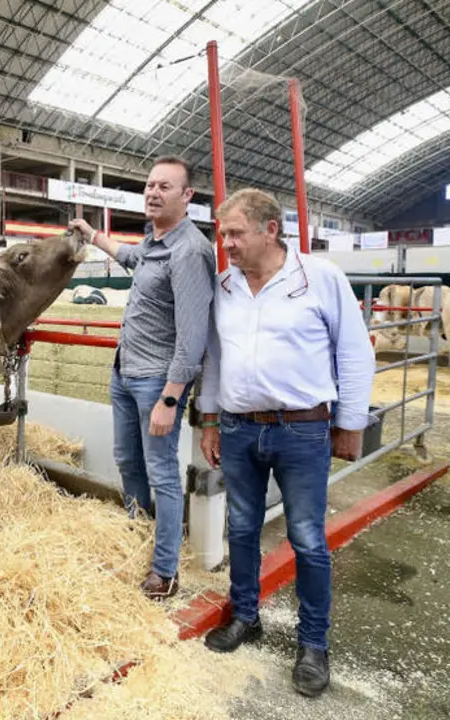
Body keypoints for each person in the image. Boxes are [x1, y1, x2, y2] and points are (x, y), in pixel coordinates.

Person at [196, 188, 375, 698]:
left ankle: (313, 644)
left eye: (235, 233)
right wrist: (210, 420)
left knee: (308, 538)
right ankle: (246, 617)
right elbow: (214, 360)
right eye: (222, 233)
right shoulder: (225, 286)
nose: (226, 243)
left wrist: (351, 423)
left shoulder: (320, 278)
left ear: (270, 229)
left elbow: (355, 352)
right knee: (242, 526)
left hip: (303, 429)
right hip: (237, 426)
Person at [67, 156, 215, 602]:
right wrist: (91, 235)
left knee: (162, 474)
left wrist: (171, 399)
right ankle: (135, 537)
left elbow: (193, 336)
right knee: (126, 461)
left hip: (156, 383)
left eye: (165, 187)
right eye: (150, 185)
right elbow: (127, 255)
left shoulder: (190, 250)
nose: (153, 193)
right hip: (124, 371)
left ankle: (165, 571)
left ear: (187, 197)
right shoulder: (154, 241)